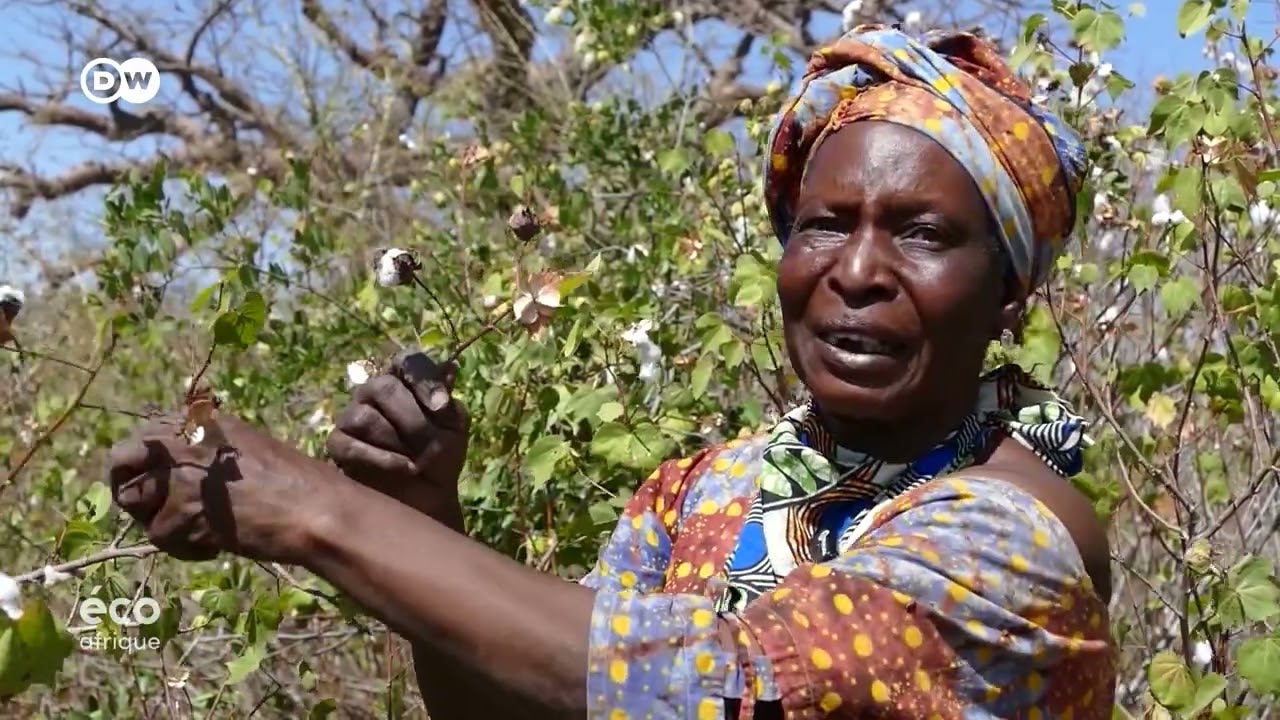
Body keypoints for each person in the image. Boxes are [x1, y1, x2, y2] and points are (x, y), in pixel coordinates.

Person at [107, 23, 1117, 719]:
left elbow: (715, 686)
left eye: (922, 234)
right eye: (823, 224)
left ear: (1010, 293)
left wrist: (319, 515)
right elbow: (539, 700)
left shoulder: (1013, 538)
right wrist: (420, 516)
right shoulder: (696, 492)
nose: (855, 270)